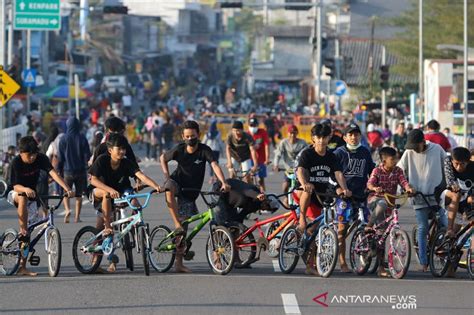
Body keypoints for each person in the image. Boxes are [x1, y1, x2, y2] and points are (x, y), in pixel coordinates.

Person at [160, 120, 231, 273]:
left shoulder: (204, 150)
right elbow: (163, 158)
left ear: (198, 135)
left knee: (194, 227)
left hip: (192, 192)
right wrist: (166, 177)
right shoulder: (179, 150)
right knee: (180, 221)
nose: (190, 139)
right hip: (178, 185)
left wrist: (223, 182)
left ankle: (208, 256)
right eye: (187, 136)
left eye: (193, 136)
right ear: (183, 137)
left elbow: (214, 165)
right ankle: (178, 260)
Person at [89, 134, 162, 273]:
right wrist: (109, 189)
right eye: (119, 149)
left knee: (135, 202)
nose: (122, 152)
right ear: (110, 150)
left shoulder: (126, 162)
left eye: (124, 149)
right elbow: (93, 180)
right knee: (106, 196)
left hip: (122, 189)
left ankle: (135, 226)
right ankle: (108, 227)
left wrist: (156, 186)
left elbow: (141, 175)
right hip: (100, 190)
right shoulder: (102, 160)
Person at [7, 136, 73, 276]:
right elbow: (15, 186)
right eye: (29, 155)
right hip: (16, 193)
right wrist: (25, 189)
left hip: (32, 195)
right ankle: (23, 229)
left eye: (34, 154)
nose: (32, 158)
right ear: (21, 153)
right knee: (23, 204)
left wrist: (67, 189)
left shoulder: (41, 158)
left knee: (29, 234)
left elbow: (54, 174)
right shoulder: (16, 162)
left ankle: (22, 266)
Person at [296, 123, 351, 276]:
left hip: (322, 193)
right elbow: (300, 170)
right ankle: (301, 219)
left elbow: (338, 173)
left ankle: (311, 263)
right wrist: (304, 183)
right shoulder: (307, 154)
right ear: (313, 138)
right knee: (311, 223)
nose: (321, 141)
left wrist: (344, 188)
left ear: (329, 138)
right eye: (318, 137)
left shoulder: (331, 156)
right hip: (306, 191)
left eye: (324, 137)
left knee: (317, 229)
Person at [398, 129, 448, 272]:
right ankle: (424, 261)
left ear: (422, 142)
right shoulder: (408, 153)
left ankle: (442, 253)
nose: (413, 149)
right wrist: (406, 186)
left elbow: (448, 167)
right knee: (423, 227)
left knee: (444, 226)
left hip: (437, 197)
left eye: (415, 146)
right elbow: (399, 170)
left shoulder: (437, 149)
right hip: (418, 197)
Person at [366, 147, 414, 277]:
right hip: (375, 201)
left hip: (390, 203)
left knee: (384, 235)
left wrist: (408, 189)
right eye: (392, 159)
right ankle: (369, 225)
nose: (395, 161)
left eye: (396, 158)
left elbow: (404, 182)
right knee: (382, 205)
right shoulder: (377, 170)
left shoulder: (398, 171)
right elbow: (369, 184)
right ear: (384, 160)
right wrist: (375, 188)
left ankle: (383, 258)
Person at [333, 123, 375, 273]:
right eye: (350, 134)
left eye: (356, 134)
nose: (353, 137)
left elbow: (373, 172)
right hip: (344, 198)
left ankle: (369, 257)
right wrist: (338, 189)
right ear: (344, 137)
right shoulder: (338, 153)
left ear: (360, 136)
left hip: (361, 196)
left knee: (369, 226)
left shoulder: (365, 152)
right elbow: (332, 175)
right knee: (342, 229)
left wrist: (374, 186)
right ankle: (342, 261)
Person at [58, 117, 91, 223]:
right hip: (80, 170)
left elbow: (60, 157)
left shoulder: (63, 139)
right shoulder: (82, 137)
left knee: (66, 192)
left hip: (67, 171)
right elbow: (87, 155)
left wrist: (59, 169)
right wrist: (88, 168)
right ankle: (77, 217)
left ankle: (67, 209)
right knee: (79, 195)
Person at [442, 147, 474, 238]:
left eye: (462, 164)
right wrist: (452, 185)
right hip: (444, 192)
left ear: (468, 162)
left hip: (463, 200)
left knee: (456, 233)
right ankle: (449, 229)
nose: (459, 167)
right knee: (457, 195)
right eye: (456, 164)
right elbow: (450, 180)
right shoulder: (448, 160)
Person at [273, 125, 308, 202]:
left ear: (297, 133)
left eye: (294, 133)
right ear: (288, 133)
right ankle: (287, 197)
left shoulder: (302, 143)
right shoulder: (283, 143)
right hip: (288, 169)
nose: (292, 135)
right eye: (291, 133)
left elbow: (308, 154)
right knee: (285, 186)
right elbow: (278, 154)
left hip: (299, 169)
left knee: (303, 186)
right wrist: (276, 165)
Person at [248, 117, 270, 192]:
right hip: (249, 159)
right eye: (251, 125)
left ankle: (264, 195)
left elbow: (267, 145)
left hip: (261, 159)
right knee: (249, 178)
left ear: (257, 125)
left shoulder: (262, 132)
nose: (253, 127)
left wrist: (267, 159)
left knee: (261, 180)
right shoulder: (247, 134)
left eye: (254, 125)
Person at [202, 120, 225, 184]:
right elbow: (220, 142)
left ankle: (211, 177)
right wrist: (223, 150)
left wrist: (201, 149)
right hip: (216, 150)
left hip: (208, 150)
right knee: (216, 164)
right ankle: (216, 177)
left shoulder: (207, 133)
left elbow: (203, 142)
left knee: (210, 164)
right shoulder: (218, 133)